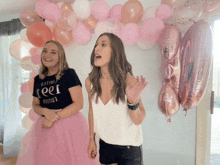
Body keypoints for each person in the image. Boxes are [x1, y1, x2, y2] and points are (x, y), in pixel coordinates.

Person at [16, 40, 99, 165]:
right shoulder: (38, 79)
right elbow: (35, 104)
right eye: (45, 51)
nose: (47, 55)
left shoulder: (69, 74)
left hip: (69, 125)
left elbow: (78, 104)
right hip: (44, 127)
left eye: (53, 52)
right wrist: (45, 111)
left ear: (61, 56)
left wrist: (53, 118)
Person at [86, 33, 147, 165]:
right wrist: (91, 139)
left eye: (103, 45)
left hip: (129, 148)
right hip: (106, 145)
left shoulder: (128, 80)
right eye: (96, 44)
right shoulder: (90, 82)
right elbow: (92, 111)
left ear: (115, 51)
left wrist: (132, 101)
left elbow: (138, 120)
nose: (96, 48)